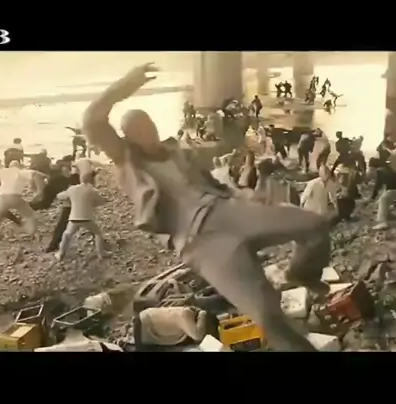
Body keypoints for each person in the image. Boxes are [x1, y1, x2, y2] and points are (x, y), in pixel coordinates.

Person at [82, 62, 329, 351]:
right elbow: (92, 120)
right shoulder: (126, 161)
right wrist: (127, 83)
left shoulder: (178, 151)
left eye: (148, 125)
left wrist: (243, 194)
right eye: (137, 130)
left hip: (228, 210)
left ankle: (301, 274)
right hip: (199, 241)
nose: (146, 133)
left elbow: (214, 183)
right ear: (128, 137)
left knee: (314, 225)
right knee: (266, 313)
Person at [55, 172, 108, 261]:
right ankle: (101, 253)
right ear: (92, 180)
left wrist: (70, 199)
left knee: (67, 234)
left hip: (74, 218)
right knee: (98, 234)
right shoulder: (92, 190)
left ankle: (60, 254)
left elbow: (59, 196)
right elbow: (101, 201)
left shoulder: (72, 189)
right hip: (87, 218)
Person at [0, 161, 42, 235]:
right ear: (19, 166)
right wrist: (44, 176)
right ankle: (31, 230)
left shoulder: (4, 171)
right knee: (29, 214)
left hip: (2, 197)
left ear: (9, 166)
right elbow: (34, 174)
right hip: (15, 196)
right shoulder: (20, 172)